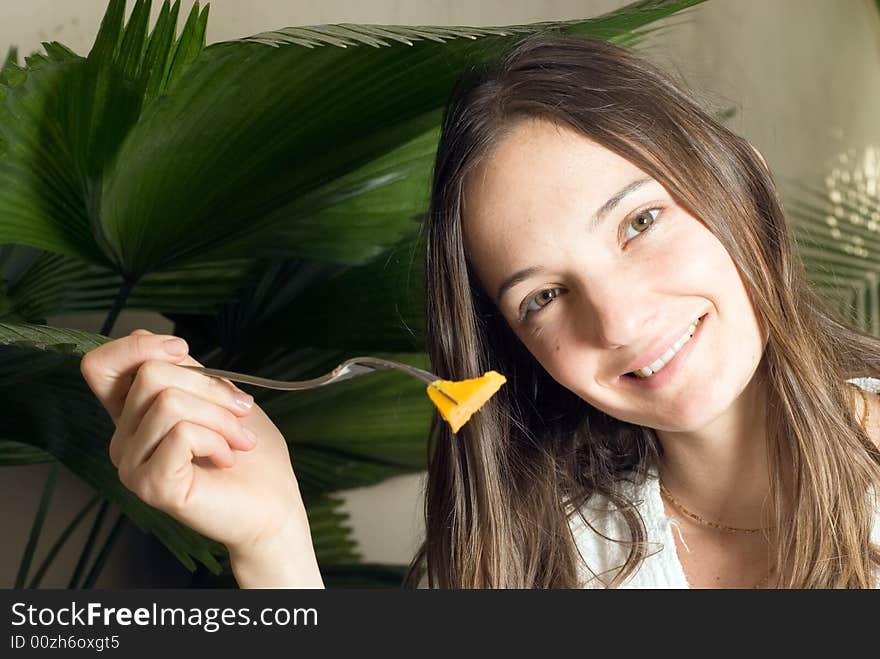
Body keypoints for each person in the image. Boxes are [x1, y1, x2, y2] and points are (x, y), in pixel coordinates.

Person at [80, 34, 880, 590]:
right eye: (543, 295)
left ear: (750, 190)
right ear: (514, 346)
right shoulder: (516, 555)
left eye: (640, 221)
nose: (620, 320)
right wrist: (271, 539)